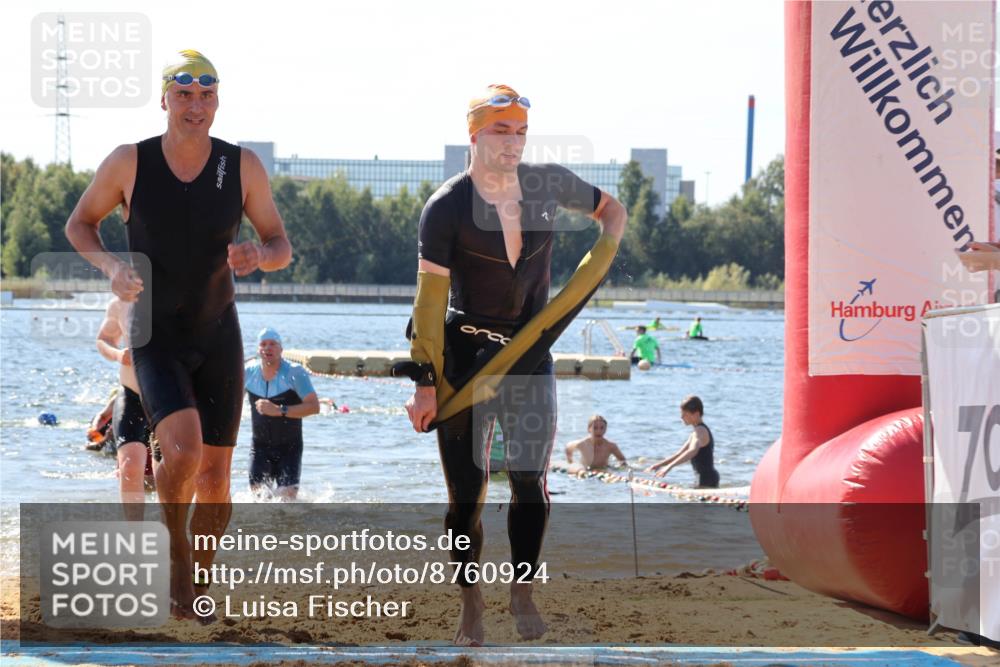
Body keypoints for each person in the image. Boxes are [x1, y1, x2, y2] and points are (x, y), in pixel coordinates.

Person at [64, 50, 292, 620]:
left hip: (218, 331)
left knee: (216, 479)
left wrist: (257, 256)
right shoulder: (129, 162)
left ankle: (201, 575)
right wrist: (112, 266)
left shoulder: (241, 166)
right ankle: (176, 561)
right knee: (184, 449)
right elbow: (79, 224)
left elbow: (280, 246)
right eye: (184, 94)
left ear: (217, 101)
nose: (196, 105)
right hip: (153, 331)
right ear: (163, 97)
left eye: (207, 94)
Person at [402, 84, 627, 645]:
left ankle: (522, 589)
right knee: (467, 496)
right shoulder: (447, 207)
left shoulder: (547, 184)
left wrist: (605, 248)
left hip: (529, 354)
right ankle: (470, 595)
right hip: (465, 359)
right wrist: (426, 382)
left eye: (521, 132)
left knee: (530, 482)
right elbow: (429, 303)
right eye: (501, 131)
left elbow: (610, 210)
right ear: (474, 134)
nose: (513, 143)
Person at [96, 297, 156, 517]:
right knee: (129, 468)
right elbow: (104, 339)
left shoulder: (178, 290)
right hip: (131, 395)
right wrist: (118, 354)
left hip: (171, 399)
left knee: (175, 472)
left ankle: (176, 534)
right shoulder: (120, 302)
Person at [245, 327, 319, 500]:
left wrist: (279, 410)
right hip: (260, 447)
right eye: (263, 344)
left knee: (286, 500)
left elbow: (314, 406)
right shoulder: (248, 372)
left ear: (281, 349)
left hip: (289, 447)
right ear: (258, 350)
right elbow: (229, 403)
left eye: (273, 344)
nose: (268, 348)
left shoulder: (295, 373)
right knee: (258, 500)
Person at [645, 395, 720, 488]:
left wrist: (669, 467)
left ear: (696, 414)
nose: (681, 417)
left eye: (685, 414)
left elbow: (692, 451)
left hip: (706, 479)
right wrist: (658, 465)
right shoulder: (695, 432)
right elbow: (679, 454)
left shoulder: (700, 430)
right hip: (705, 478)